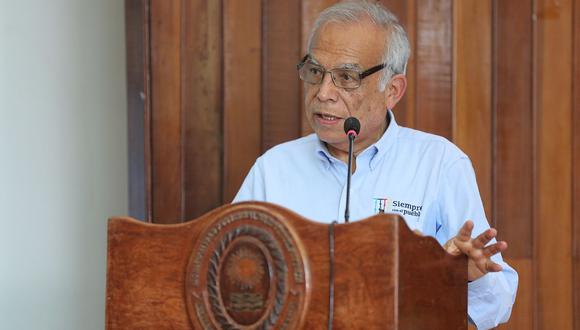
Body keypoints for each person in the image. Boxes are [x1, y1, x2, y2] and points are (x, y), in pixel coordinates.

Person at [233, 1, 518, 329]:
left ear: (392, 91)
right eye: (315, 72)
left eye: (346, 77)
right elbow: (230, 278)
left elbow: (497, 305)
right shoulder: (273, 170)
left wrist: (461, 275)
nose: (323, 92)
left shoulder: (439, 164)